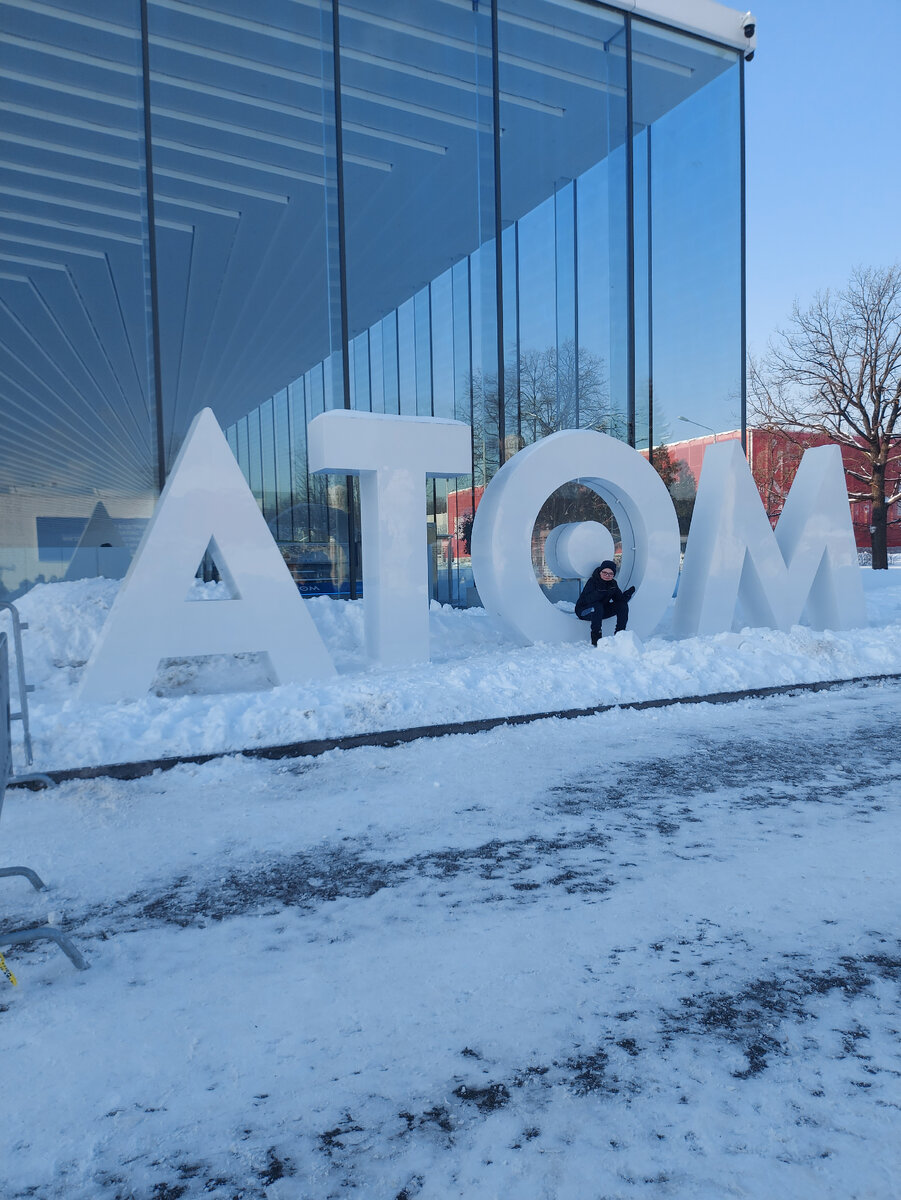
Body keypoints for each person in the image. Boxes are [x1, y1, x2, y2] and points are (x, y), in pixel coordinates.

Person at [575, 559, 635, 646]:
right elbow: (587, 599)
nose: (607, 575)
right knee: (597, 606)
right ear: (600, 572)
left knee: (622, 605)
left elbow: (619, 600)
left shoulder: (613, 584)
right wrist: (600, 591)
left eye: (610, 574)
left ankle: (620, 635)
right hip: (584, 611)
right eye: (605, 572)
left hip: (600, 611)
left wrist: (627, 595)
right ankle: (596, 640)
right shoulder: (592, 581)